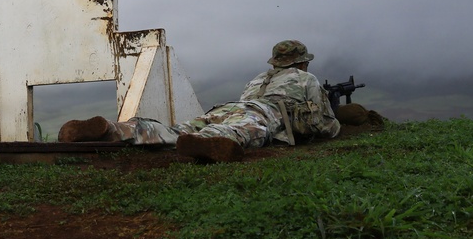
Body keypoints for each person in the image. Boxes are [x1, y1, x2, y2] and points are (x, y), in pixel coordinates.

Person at [58, 40, 341, 163]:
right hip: (264, 114)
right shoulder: (306, 80)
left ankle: (116, 129)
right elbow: (323, 124)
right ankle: (206, 142)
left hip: (228, 107)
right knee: (240, 132)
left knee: (177, 129)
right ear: (302, 63)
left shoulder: (258, 78)